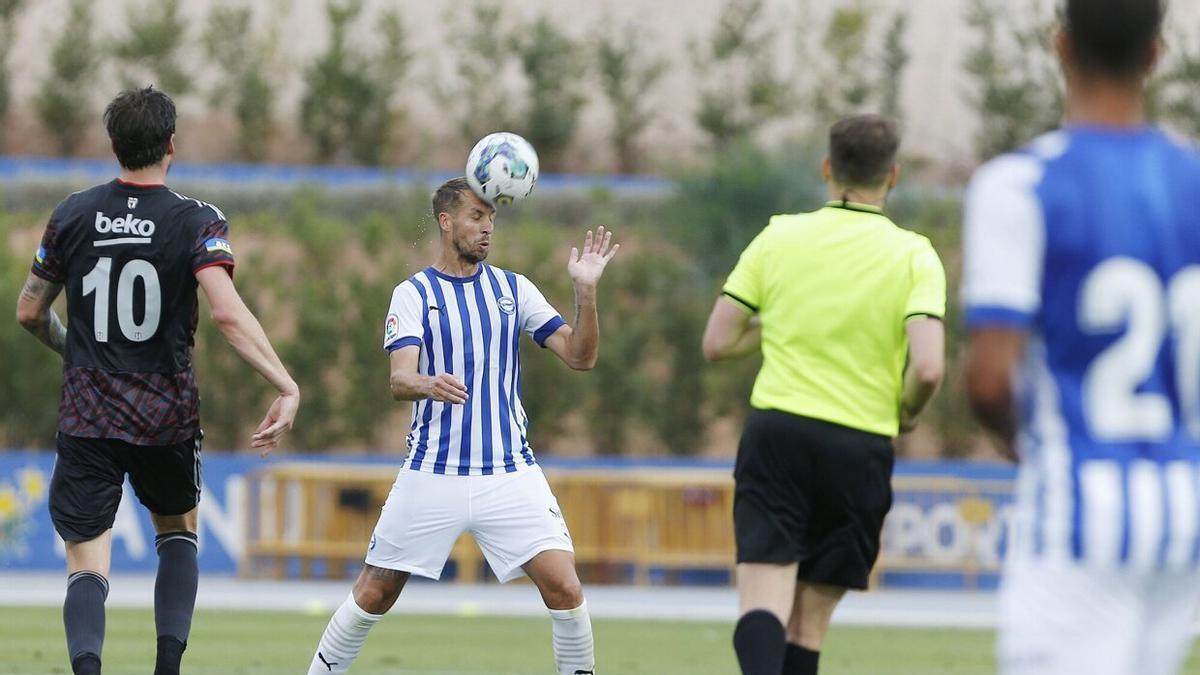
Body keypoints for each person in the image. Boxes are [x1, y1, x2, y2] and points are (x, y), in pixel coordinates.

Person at [15, 86, 300, 675]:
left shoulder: (72, 213)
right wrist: (285, 383)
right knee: (178, 532)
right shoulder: (195, 219)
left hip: (88, 411)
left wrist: (73, 349)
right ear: (171, 145)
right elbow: (226, 312)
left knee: (87, 562)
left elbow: (29, 311)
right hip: (165, 412)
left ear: (113, 144)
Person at [963, 1, 1200, 673]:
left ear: (1059, 47)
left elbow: (988, 377)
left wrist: (1022, 440)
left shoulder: (1022, 183)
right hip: (1182, 508)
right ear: (1156, 56)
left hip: (1080, 509)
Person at [306, 177, 618, 675]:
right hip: (433, 470)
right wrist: (428, 384)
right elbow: (399, 380)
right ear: (446, 222)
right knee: (375, 591)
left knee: (565, 586)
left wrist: (586, 292)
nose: (488, 228)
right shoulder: (412, 294)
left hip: (509, 471)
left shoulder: (514, 290)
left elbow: (581, 357)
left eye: (492, 218)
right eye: (477, 217)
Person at [703, 113, 946, 675]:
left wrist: (784, 323)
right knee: (806, 627)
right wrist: (907, 411)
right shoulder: (915, 254)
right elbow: (929, 367)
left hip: (779, 431)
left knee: (763, 605)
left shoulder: (780, 235)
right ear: (894, 176)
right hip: (860, 441)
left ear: (827, 169)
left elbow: (718, 341)